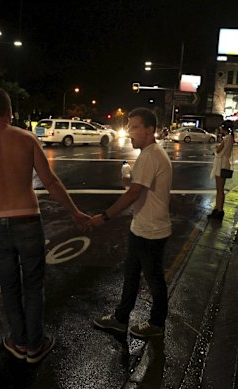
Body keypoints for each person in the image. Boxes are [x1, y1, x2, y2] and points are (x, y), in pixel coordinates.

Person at [0, 88, 90, 362]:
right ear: (11, 112)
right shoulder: (27, 139)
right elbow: (51, 182)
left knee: (9, 287)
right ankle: (35, 345)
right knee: (33, 286)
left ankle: (17, 340)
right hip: (29, 221)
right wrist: (75, 212)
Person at [91, 107, 172, 339]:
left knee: (154, 280)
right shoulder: (150, 154)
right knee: (131, 275)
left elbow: (134, 193)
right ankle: (120, 319)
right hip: (142, 228)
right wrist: (129, 178)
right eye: (129, 126)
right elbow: (139, 186)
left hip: (151, 231)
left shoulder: (150, 155)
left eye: (134, 126)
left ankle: (156, 324)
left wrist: (104, 216)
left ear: (150, 130)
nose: (130, 131)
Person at [208, 126, 234, 220]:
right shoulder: (231, 138)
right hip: (225, 163)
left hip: (221, 164)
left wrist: (217, 147)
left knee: (219, 189)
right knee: (220, 189)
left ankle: (219, 210)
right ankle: (217, 208)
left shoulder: (227, 138)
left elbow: (219, 150)